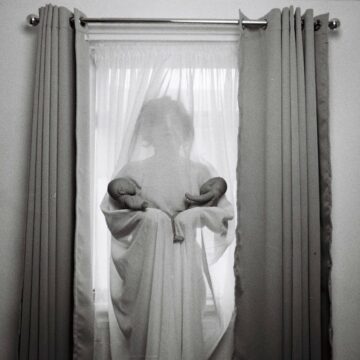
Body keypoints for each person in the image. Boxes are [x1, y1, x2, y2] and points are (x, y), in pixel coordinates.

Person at [101, 97, 234, 359]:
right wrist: (135, 204)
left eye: (175, 125)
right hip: (147, 268)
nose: (168, 131)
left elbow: (222, 214)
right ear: (148, 132)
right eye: (160, 126)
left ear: (185, 131)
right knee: (151, 332)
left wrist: (199, 208)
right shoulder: (135, 170)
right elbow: (115, 207)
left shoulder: (199, 170)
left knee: (183, 331)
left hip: (185, 266)